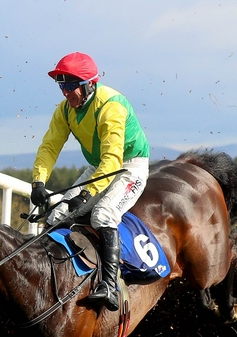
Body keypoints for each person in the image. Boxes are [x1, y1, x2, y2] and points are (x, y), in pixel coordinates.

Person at [30, 52, 150, 312]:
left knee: (103, 213)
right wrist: (38, 182)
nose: (66, 92)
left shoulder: (112, 106)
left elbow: (112, 161)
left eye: (71, 85)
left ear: (89, 84)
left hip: (129, 165)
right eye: (62, 85)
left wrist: (86, 194)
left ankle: (109, 286)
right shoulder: (65, 110)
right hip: (99, 167)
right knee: (57, 212)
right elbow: (50, 147)